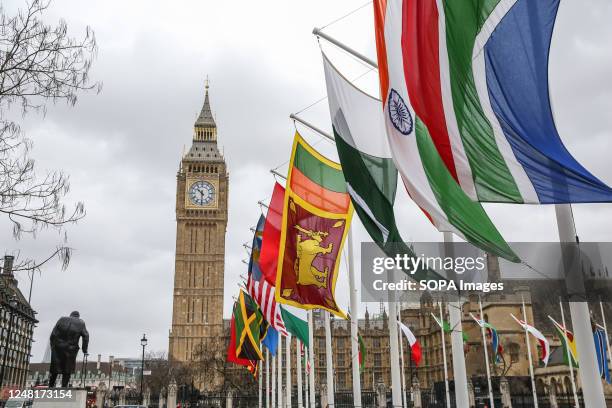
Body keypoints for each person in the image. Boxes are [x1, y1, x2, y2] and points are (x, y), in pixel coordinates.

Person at [49, 311, 89, 388]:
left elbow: (53, 334)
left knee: (55, 368)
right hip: (71, 348)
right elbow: (86, 336)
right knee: (67, 369)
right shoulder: (81, 323)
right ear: (78, 316)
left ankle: (50, 386)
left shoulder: (61, 319)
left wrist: (53, 346)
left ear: (70, 315)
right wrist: (84, 350)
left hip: (58, 347)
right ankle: (64, 387)